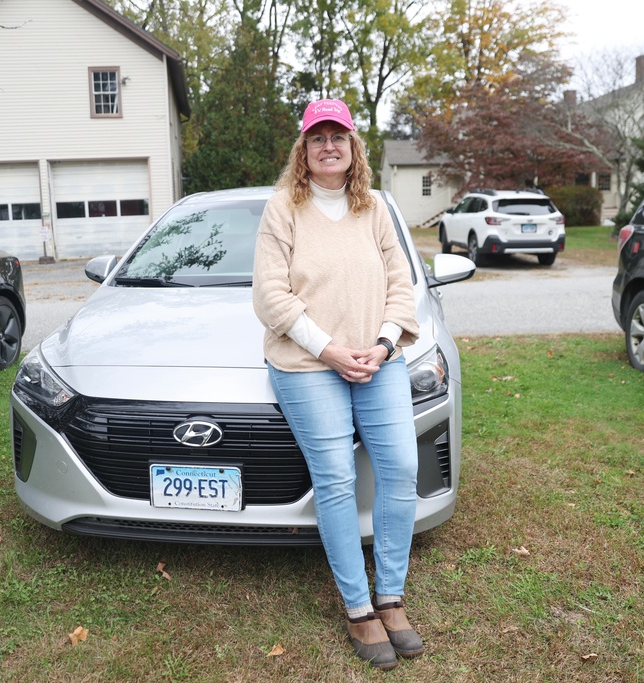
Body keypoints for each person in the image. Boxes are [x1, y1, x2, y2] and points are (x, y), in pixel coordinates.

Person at [252, 98, 424, 670]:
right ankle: (358, 608)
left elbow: (402, 285)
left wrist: (380, 345)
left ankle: (391, 596)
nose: (329, 146)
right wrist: (328, 350)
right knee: (337, 479)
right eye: (318, 137)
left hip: (377, 361)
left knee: (400, 468)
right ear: (303, 150)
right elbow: (271, 295)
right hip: (307, 365)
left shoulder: (372, 208)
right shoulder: (283, 209)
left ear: (354, 149)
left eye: (340, 137)